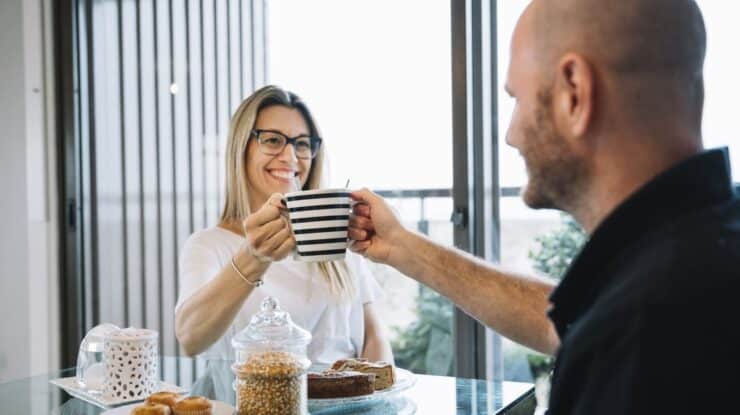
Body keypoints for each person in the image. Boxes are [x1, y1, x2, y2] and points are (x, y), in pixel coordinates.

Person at [348, 0, 740, 413]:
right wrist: (405, 247)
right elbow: (569, 321)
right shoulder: (698, 252)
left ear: (574, 91)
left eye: (517, 99)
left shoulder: (640, 333)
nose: (511, 135)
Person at [175, 85, 393, 367]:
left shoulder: (338, 233)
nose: (290, 157)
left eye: (302, 143)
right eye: (273, 140)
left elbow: (373, 337)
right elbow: (191, 339)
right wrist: (254, 257)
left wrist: (378, 395)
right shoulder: (209, 245)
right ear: (242, 148)